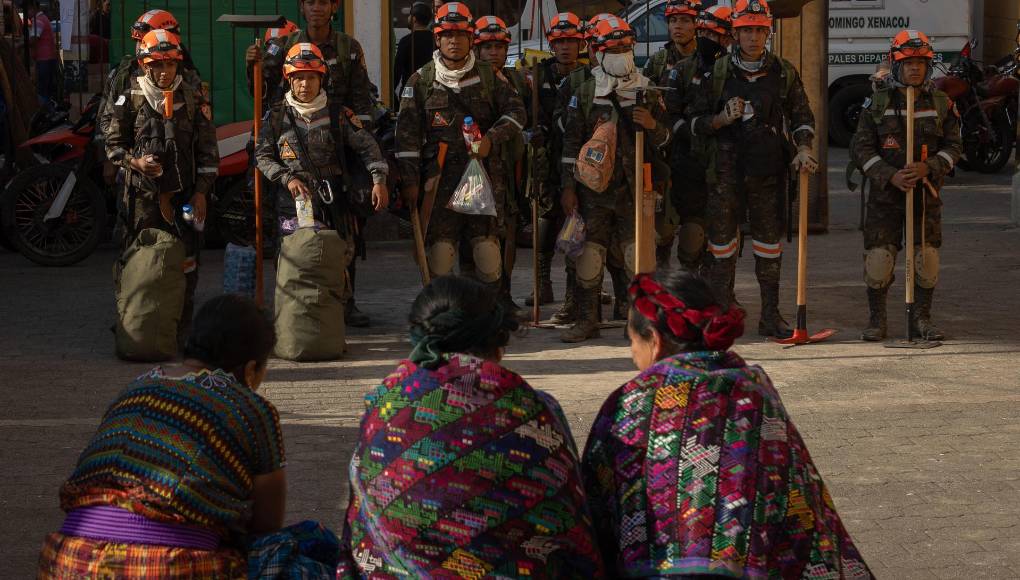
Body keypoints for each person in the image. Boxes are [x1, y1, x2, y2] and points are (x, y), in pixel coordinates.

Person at [581, 269, 874, 578]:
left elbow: (591, 511)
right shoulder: (756, 391)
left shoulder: (632, 404)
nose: (633, 353)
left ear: (653, 341)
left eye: (631, 341)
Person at [336, 275, 604, 579]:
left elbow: (363, 525)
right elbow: (570, 524)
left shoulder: (383, 409)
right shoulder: (532, 413)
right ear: (500, 343)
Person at [38, 294, 286, 576]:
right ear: (252, 369)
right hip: (164, 567)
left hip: (68, 560)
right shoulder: (252, 409)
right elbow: (267, 526)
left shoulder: (135, 388)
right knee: (297, 554)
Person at [687, 0, 818, 339]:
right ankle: (721, 316)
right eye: (746, 30)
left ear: (768, 32)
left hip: (768, 172)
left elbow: (802, 116)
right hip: (725, 174)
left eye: (759, 30)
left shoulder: (783, 71)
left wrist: (803, 148)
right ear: (735, 33)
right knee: (722, 247)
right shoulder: (715, 73)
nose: (753, 37)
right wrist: (720, 119)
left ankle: (770, 316)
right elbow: (692, 123)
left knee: (768, 246)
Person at [246, 0, 378, 327]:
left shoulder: (349, 47)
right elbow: (260, 92)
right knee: (289, 235)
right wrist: (253, 66)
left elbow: (362, 99)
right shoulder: (283, 46)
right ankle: (293, 308)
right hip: (291, 142)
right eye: (310, 2)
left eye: (323, 2)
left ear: (332, 8)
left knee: (344, 232)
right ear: (302, 9)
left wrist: (361, 149)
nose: (317, 8)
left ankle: (345, 303)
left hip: (338, 146)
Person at [395, 3, 526, 292]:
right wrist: (410, 182)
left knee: (486, 254)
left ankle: (487, 316)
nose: (454, 41)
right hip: (438, 182)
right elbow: (406, 138)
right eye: (447, 35)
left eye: (461, 35)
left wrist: (491, 138)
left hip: (483, 176)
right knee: (440, 256)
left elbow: (517, 114)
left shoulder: (490, 77)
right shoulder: (421, 81)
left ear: (470, 39)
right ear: (438, 39)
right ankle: (445, 320)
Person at [558, 16, 670, 343]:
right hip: (592, 193)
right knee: (589, 256)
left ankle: (638, 321)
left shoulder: (647, 90)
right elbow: (569, 145)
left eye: (625, 48)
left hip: (635, 191)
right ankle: (586, 319)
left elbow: (666, 143)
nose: (620, 54)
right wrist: (568, 187)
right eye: (612, 49)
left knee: (638, 256)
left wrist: (651, 125)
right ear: (596, 52)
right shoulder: (585, 91)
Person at [105, 30, 218, 346]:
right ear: (143, 65)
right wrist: (135, 163)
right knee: (135, 262)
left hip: (185, 197)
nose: (164, 71)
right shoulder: (128, 99)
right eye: (156, 65)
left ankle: (180, 328)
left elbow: (209, 153)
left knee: (187, 261)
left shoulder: (193, 99)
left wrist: (201, 192)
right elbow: (113, 146)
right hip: (141, 199)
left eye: (170, 65)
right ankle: (132, 324)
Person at [850, 30, 962, 341]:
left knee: (926, 258)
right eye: (908, 62)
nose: (915, 68)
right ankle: (877, 321)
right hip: (885, 196)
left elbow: (954, 146)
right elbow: (860, 150)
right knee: (879, 259)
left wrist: (929, 166)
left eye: (921, 63)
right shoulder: (877, 102)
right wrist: (890, 175)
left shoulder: (941, 102)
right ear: (896, 64)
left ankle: (921, 320)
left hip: (925, 194)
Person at [255, 42, 388, 299]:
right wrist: (287, 178)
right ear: (288, 79)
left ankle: (340, 312)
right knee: (296, 262)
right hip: (292, 202)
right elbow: (262, 155)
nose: (305, 84)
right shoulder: (276, 116)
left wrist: (379, 180)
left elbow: (368, 148)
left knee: (338, 259)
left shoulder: (338, 114)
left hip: (333, 200)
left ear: (322, 78)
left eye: (311, 77)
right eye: (299, 78)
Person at [663, 3, 729, 274]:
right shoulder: (679, 69)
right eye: (704, 33)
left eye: (714, 35)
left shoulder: (738, 73)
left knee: (725, 232)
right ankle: (682, 284)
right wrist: (702, 126)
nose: (707, 40)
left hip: (728, 165)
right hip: (687, 161)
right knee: (688, 230)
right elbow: (669, 115)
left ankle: (720, 287)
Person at [527, 11, 585, 316]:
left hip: (579, 160)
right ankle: (542, 282)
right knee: (547, 218)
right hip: (547, 159)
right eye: (560, 42)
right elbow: (526, 114)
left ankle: (580, 287)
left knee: (578, 220)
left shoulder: (588, 77)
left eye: (571, 42)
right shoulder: (539, 75)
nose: (565, 47)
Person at [98, 9, 203, 139]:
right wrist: (131, 154)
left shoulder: (188, 79)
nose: (138, 47)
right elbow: (105, 121)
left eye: (143, 40)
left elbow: (203, 131)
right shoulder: (123, 74)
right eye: (137, 41)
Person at [393, 1, 434, 100]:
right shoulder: (436, 40)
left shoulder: (406, 41)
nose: (408, 18)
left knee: (407, 113)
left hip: (409, 90)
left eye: (409, 16)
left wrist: (391, 94)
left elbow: (397, 71)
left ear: (414, 19)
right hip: (431, 90)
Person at [23, 0, 57, 105]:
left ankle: (46, 113)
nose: (26, 14)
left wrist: (20, 44)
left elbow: (33, 39)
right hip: (47, 59)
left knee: (42, 90)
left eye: (27, 10)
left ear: (33, 7)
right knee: (47, 89)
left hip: (44, 60)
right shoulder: (42, 18)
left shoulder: (38, 20)